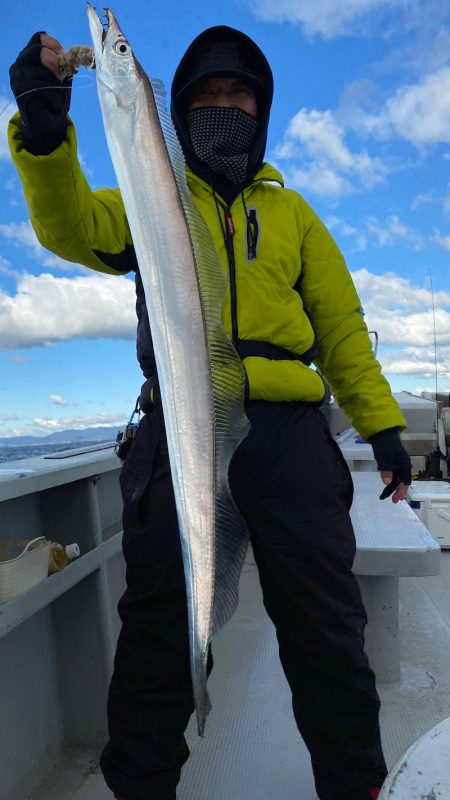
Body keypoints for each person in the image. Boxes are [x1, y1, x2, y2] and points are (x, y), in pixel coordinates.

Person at [9, 25, 411, 800]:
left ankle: (357, 784)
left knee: (329, 627)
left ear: (261, 112)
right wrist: (46, 134)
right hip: (179, 429)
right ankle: (143, 785)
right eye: (206, 96)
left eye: (239, 95)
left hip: (292, 438)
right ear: (179, 110)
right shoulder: (150, 196)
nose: (223, 107)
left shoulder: (295, 216)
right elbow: (70, 228)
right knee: (159, 629)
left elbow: (341, 331)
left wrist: (385, 427)